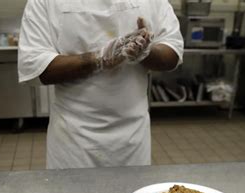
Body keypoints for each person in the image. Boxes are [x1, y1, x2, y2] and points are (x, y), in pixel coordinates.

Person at [18, 0, 183, 170]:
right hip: (73, 140)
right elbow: (34, 67)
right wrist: (98, 59)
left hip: (133, 138)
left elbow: (173, 52)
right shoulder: (45, 2)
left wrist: (146, 52)